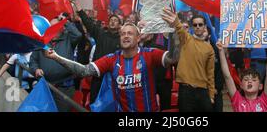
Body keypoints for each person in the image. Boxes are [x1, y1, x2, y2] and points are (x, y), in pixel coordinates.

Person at [43, 7, 180, 112]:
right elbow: (84, 71)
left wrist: (176, 29)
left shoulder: (149, 54)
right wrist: (56, 57)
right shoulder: (112, 59)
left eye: (130, 33)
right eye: (123, 34)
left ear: (138, 38)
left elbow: (173, 58)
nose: (125, 36)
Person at [70, 0, 121, 104]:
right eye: (111, 20)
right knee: (95, 101)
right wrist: (78, 8)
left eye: (115, 21)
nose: (112, 22)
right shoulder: (100, 34)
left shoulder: (123, 39)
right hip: (98, 74)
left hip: (114, 76)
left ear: (120, 25)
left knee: (112, 103)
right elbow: (88, 23)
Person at [29, 13, 82, 112]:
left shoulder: (68, 39)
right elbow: (33, 60)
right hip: (46, 86)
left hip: (64, 88)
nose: (52, 29)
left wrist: (65, 21)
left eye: (55, 26)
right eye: (50, 27)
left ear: (61, 28)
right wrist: (36, 69)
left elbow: (78, 35)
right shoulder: (42, 42)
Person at [217, 38, 267, 112]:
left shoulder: (265, 100)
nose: (250, 82)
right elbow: (227, 76)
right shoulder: (237, 100)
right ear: (241, 85)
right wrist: (221, 51)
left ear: (260, 86)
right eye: (246, 79)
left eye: (254, 80)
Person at [175, 14, 215, 112]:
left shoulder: (209, 48)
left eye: (200, 24)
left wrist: (211, 95)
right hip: (186, 90)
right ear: (192, 27)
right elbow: (180, 29)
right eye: (195, 25)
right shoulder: (186, 39)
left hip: (203, 91)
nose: (197, 27)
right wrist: (176, 20)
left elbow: (210, 73)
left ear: (205, 26)